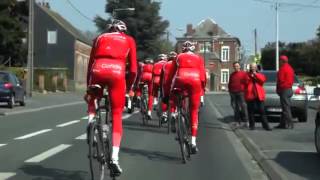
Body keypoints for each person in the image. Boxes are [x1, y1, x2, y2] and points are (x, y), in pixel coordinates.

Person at [84, 19, 137, 175]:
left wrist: (89, 87)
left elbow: (90, 64)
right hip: (117, 72)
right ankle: (114, 158)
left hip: (97, 70)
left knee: (93, 98)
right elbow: (133, 69)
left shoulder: (99, 38)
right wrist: (129, 88)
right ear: (123, 31)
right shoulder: (128, 40)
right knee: (116, 113)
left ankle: (91, 121)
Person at [170, 41, 206, 154]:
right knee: (194, 111)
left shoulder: (178, 57)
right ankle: (193, 142)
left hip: (180, 79)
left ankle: (175, 112)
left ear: (183, 49)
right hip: (195, 81)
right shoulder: (199, 58)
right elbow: (203, 77)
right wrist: (202, 91)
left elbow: (171, 75)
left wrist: (168, 93)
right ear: (193, 49)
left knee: (174, 93)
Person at [245, 63, 271, 131]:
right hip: (250, 95)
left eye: (254, 67)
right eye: (252, 67)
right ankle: (252, 126)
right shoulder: (247, 75)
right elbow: (245, 82)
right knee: (251, 112)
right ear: (250, 68)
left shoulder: (260, 74)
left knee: (262, 111)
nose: (253, 68)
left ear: (256, 68)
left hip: (259, 95)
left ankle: (266, 126)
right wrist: (250, 76)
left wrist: (255, 75)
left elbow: (262, 80)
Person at [275, 55, 295, 129]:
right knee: (286, 107)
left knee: (286, 108)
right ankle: (283, 124)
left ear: (282, 61)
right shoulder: (290, 68)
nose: (279, 62)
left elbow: (280, 80)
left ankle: (290, 123)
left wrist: (278, 89)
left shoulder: (282, 69)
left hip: (284, 90)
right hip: (289, 89)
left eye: (279, 60)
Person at [228, 62, 249, 127]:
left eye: (237, 66)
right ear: (233, 67)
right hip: (233, 92)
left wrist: (244, 90)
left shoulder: (244, 74)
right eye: (235, 66)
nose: (236, 67)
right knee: (235, 107)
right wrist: (230, 91)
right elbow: (230, 83)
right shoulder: (232, 75)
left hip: (241, 92)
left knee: (243, 107)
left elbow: (247, 82)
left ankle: (246, 121)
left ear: (240, 67)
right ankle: (237, 121)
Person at [160, 51, 178, 125]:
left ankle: (164, 115)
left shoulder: (165, 64)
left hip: (166, 85)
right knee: (175, 99)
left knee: (165, 99)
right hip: (175, 84)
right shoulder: (177, 64)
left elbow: (161, 77)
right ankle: (174, 114)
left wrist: (160, 87)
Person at [152, 54, 168, 120]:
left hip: (156, 79)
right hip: (164, 80)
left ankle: (155, 101)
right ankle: (165, 112)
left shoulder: (155, 64)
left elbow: (153, 73)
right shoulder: (166, 64)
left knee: (155, 89)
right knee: (165, 95)